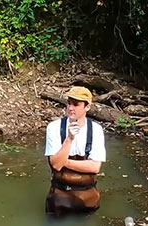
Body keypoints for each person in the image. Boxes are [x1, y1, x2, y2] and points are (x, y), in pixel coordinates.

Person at [44, 86, 106, 216]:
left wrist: (64, 161)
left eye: (76, 104)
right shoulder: (54, 128)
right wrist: (69, 139)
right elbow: (55, 165)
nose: (70, 108)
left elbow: (95, 167)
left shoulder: (96, 130)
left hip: (87, 199)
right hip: (59, 198)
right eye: (69, 103)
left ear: (87, 107)